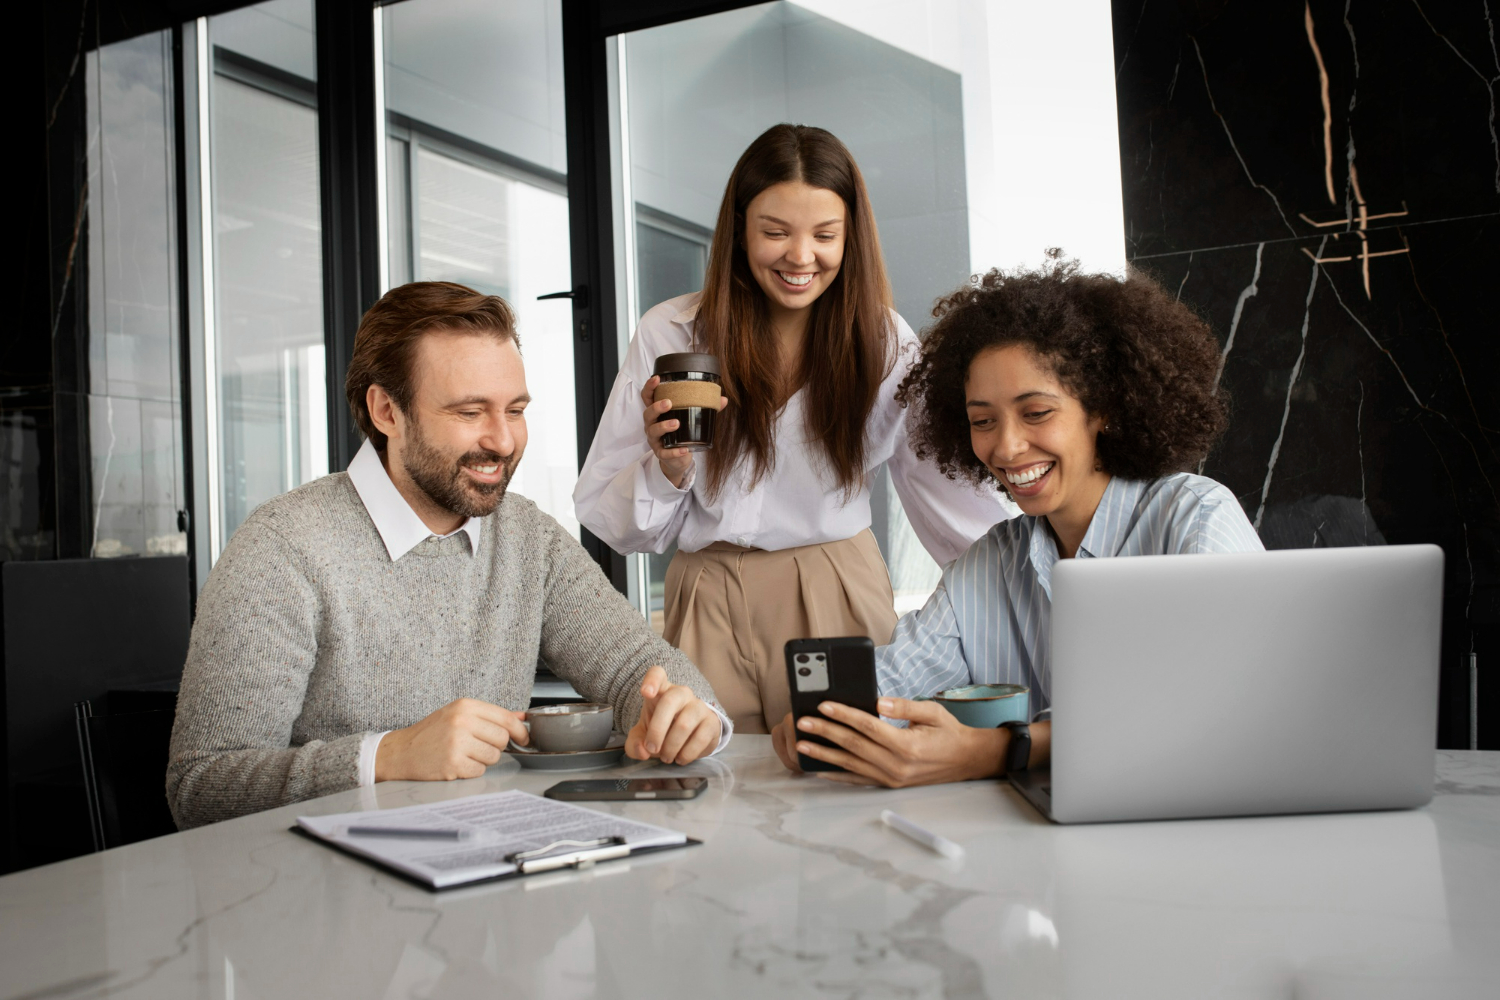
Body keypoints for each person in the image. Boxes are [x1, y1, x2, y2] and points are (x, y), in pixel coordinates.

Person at [167, 282, 729, 828]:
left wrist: (687, 714)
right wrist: (388, 756)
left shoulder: (528, 537)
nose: (503, 441)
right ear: (387, 411)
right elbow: (200, 786)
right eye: (469, 412)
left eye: (515, 410)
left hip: (489, 863)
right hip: (321, 882)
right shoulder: (283, 548)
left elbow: (637, 669)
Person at [574, 124, 1009, 735]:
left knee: (847, 768)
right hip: (704, 594)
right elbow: (610, 520)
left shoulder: (884, 342)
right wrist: (668, 467)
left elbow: (949, 498)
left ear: (851, 237)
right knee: (705, 773)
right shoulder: (670, 333)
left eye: (825, 235)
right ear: (739, 230)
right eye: (775, 232)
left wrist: (1034, 581)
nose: (801, 257)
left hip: (834, 588)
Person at [771, 261, 1265, 786]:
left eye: (1036, 413)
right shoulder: (991, 561)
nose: (1005, 448)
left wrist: (998, 749)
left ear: (1104, 409)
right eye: (983, 421)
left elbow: (1223, 708)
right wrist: (829, 724)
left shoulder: (1195, 519)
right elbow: (896, 681)